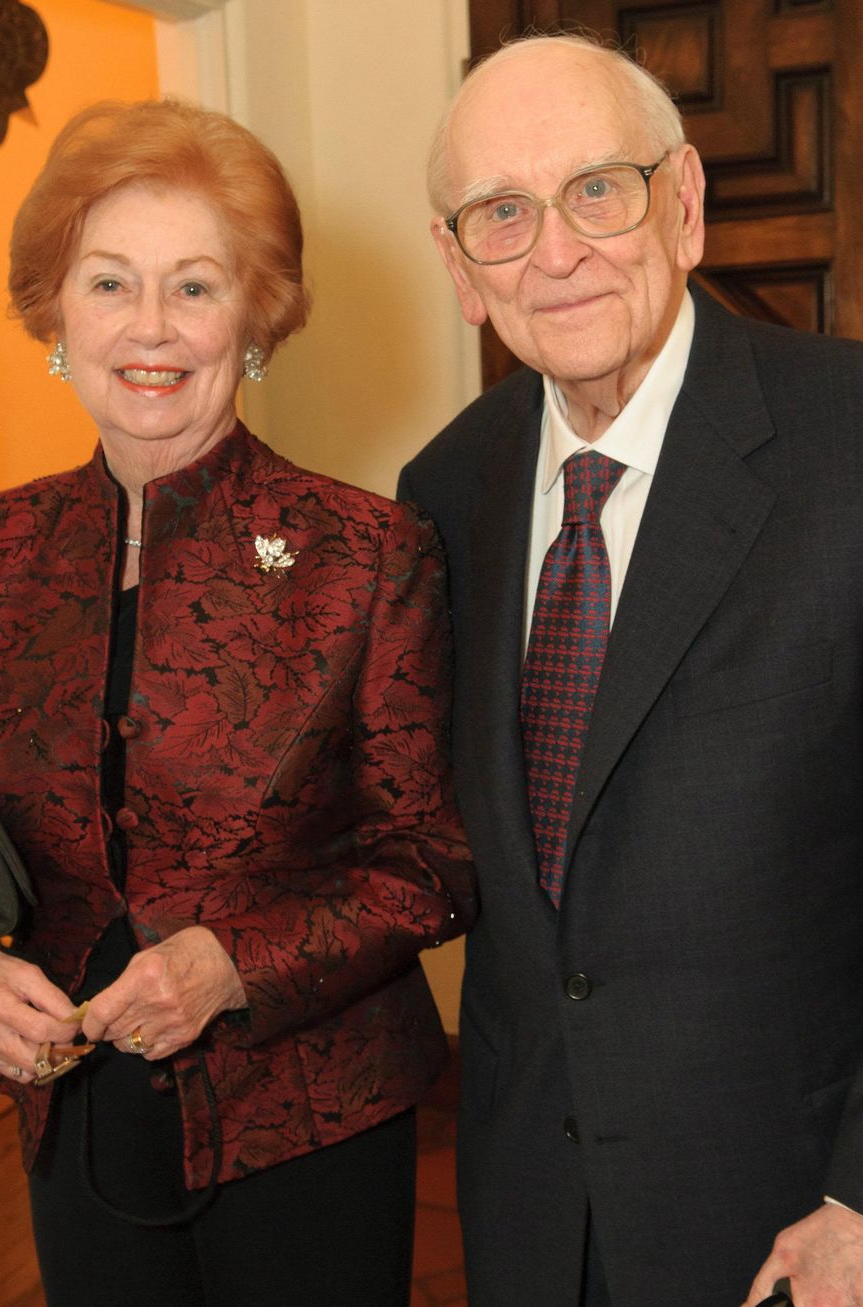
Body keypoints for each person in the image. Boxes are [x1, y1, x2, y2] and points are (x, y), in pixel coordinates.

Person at [0, 99, 475, 1307]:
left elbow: (430, 860)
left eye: (195, 287)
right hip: (78, 1119)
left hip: (310, 1120)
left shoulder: (366, 553)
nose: (149, 327)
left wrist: (231, 965)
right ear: (55, 310)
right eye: (109, 282)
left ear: (256, 316)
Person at [399, 32, 863, 1307]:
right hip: (526, 1209)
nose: (554, 251)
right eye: (501, 212)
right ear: (457, 267)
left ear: (685, 203)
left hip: (788, 1215)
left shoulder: (849, 447)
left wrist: (859, 1199)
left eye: (595, 188)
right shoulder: (440, 492)